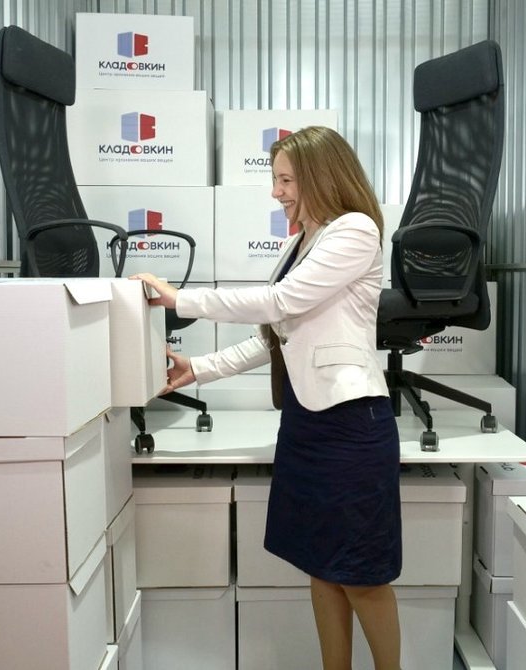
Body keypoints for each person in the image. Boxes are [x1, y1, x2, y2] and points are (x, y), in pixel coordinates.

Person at [132, 125, 402, 670]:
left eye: (286, 180)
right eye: (275, 180)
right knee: (321, 566)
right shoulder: (300, 242)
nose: (276, 192)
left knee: (361, 574)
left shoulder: (355, 230)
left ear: (321, 176)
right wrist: (199, 368)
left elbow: (280, 301)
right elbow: (276, 333)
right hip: (306, 420)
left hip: (351, 423)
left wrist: (182, 299)